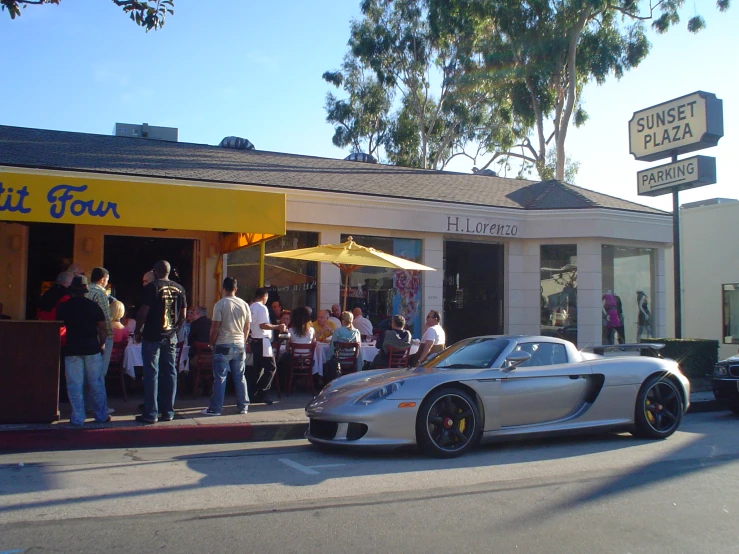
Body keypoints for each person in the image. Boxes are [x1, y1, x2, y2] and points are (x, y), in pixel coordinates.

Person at [135, 260, 187, 424]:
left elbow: (143, 311)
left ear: (156, 272)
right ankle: (168, 411)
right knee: (170, 373)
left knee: (151, 373)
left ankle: (151, 413)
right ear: (169, 271)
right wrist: (175, 330)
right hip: (170, 336)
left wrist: (138, 330)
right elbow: (183, 315)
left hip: (152, 335)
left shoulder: (152, 287)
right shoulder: (180, 288)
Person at [56, 275, 109, 426]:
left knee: (74, 384)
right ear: (86, 290)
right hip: (92, 347)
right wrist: (102, 344)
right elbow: (102, 327)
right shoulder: (93, 306)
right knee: (96, 383)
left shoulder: (65, 306)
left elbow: (58, 325)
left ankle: (78, 417)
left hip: (72, 348)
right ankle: (101, 415)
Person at [201, 277, 251, 416]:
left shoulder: (220, 304)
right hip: (240, 342)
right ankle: (243, 406)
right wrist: (244, 340)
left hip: (223, 343)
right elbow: (247, 327)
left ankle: (216, 408)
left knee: (220, 377)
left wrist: (211, 342)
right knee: (240, 377)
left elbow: (215, 326)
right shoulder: (244, 304)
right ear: (236, 289)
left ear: (223, 288)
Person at [249, 287, 286, 405]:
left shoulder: (251, 307)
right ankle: (262, 392)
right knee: (271, 367)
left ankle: (253, 393)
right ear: (265, 296)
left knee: (257, 369)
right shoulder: (262, 308)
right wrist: (278, 327)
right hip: (263, 341)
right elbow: (263, 325)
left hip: (254, 339)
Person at [86, 267, 114, 375]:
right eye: (107, 280)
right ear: (103, 279)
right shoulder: (100, 293)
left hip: (85, 335)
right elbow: (105, 318)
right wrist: (109, 336)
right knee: (99, 372)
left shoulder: (84, 290)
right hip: (98, 335)